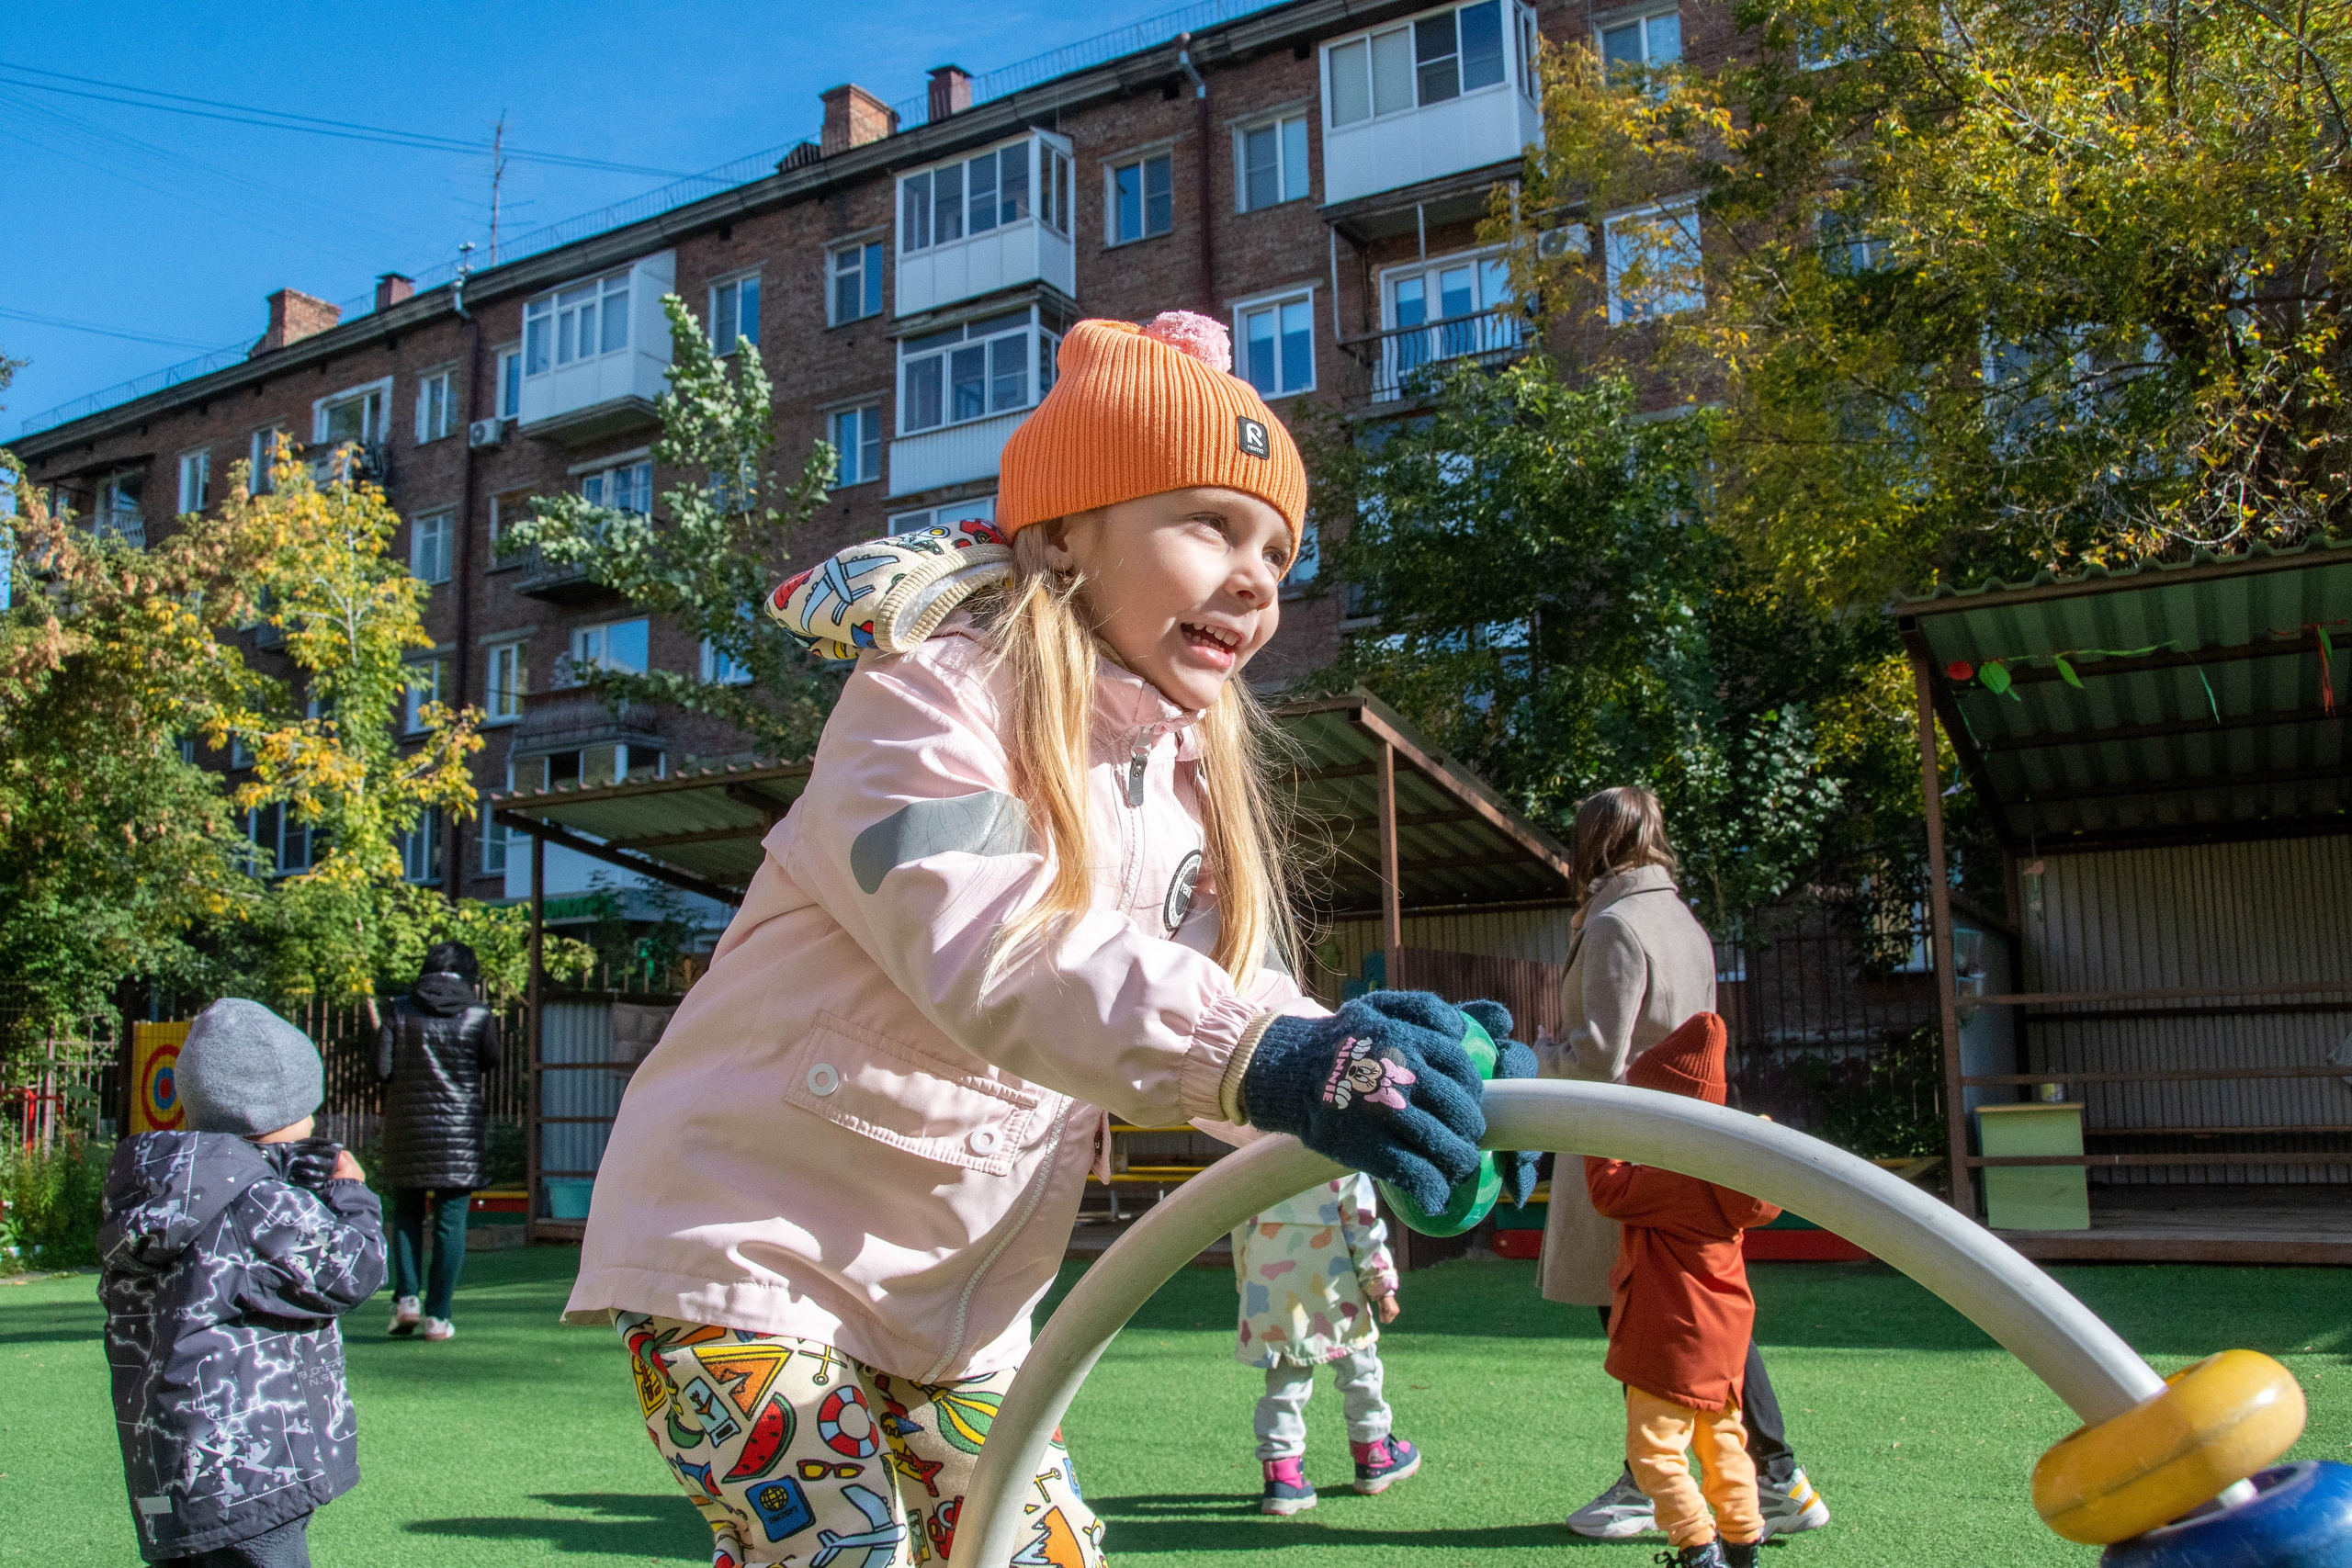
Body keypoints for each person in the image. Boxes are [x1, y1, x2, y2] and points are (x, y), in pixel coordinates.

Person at [562, 312, 1505, 1568]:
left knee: (1040, 1549)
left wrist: (1365, 1078)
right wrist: (1270, 1052)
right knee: (843, 1544)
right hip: (750, 1244)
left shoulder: (1179, 784)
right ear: (1061, 530)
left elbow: (1229, 998)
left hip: (960, 1309)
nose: (1257, 578)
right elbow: (988, 935)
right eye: (1211, 523)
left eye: (1279, 548)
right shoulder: (931, 694)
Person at [1537, 786, 1831, 1540]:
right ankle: (1776, 1475)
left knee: (1645, 1318)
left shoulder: (1614, 922)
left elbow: (1601, 1053)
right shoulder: (1682, 921)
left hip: (1628, 1150)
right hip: (1690, 1142)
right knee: (1704, 1313)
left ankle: (1657, 1479)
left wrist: (1538, 1056)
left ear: (1592, 843)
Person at [101, 998, 386, 1568]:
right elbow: (353, 1271)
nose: (314, 1124)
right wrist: (351, 1196)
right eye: (307, 1111)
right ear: (273, 1115)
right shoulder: (256, 1202)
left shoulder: (157, 1184)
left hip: (172, 1462)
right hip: (254, 1469)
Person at [1586, 1011, 1779, 1568]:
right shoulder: (1735, 1171)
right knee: (1723, 1447)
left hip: (1670, 1336)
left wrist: (1597, 1132)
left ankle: (1697, 1546)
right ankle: (1744, 1543)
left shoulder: (1678, 1177)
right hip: (1722, 1338)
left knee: (1654, 1454)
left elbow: (1608, 1191)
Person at [1234, 1173, 1418, 1515]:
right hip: (1333, 1287)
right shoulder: (1341, 1160)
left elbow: (1239, 1227)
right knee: (1361, 1370)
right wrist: (1381, 1287)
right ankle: (1374, 1454)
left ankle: (1283, 1476)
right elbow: (1362, 1225)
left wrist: (1247, 1283)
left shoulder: (1253, 1159)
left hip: (1271, 1285)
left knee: (1284, 1384)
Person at [375, 941, 502, 1341]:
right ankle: (438, 1316)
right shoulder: (480, 1014)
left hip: (408, 1127)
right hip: (459, 1134)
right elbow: (491, 1060)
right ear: (468, 971)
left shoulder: (399, 1008)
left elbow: (381, 1068)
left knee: (407, 1214)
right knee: (451, 1223)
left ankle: (407, 1300)